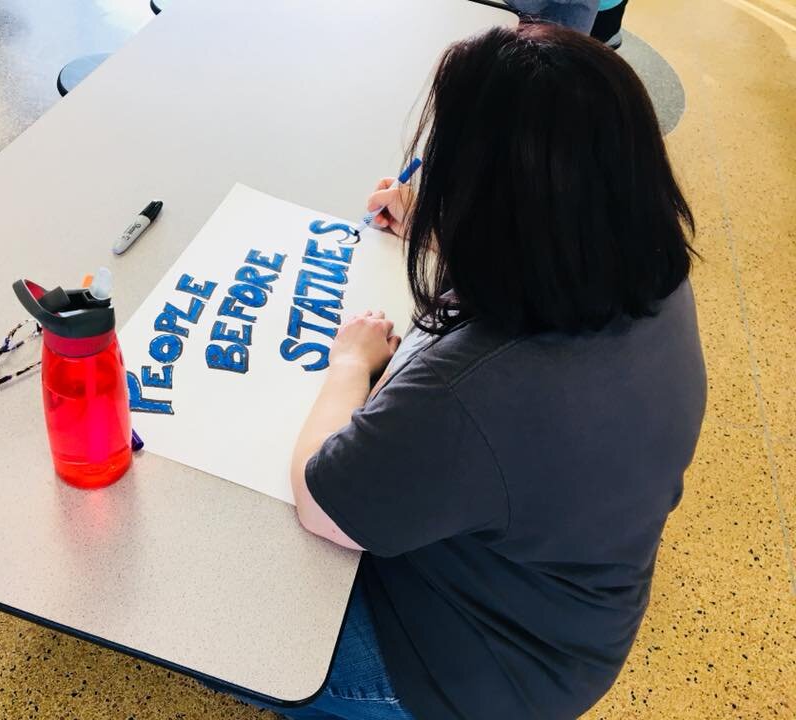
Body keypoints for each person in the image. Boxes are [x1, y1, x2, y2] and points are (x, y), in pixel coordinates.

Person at [238, 22, 706, 720]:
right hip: (572, 618)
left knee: (241, 625)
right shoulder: (650, 273)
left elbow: (322, 499)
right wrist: (440, 221)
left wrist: (349, 364)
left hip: (467, 672)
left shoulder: (474, 390)